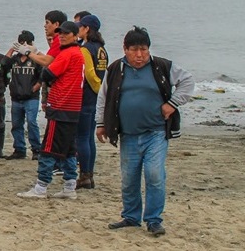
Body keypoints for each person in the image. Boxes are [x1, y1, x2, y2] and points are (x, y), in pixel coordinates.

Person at [96, 26, 194, 237]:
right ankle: (131, 217)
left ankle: (153, 220)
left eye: (143, 49)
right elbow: (104, 97)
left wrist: (172, 103)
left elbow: (187, 81)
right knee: (129, 178)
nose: (139, 55)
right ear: (125, 49)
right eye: (134, 50)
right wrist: (101, 123)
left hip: (155, 133)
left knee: (154, 174)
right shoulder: (115, 69)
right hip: (128, 134)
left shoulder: (161, 66)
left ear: (149, 49)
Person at [17, 21, 84, 199]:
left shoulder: (68, 53)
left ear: (75, 35)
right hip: (73, 107)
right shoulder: (77, 53)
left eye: (66, 33)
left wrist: (33, 55)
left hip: (62, 106)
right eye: (60, 33)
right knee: (69, 148)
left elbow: (48, 73)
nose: (61, 36)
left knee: (48, 148)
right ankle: (70, 185)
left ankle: (41, 186)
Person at [75, 14, 108, 189]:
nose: (78, 29)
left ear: (87, 29)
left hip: (87, 97)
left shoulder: (86, 49)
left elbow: (89, 74)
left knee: (82, 137)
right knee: (88, 138)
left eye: (80, 26)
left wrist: (98, 90)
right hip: (96, 99)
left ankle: (85, 174)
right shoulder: (102, 48)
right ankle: (89, 173)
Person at [4, 30, 43, 160]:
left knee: (32, 123)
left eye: (27, 43)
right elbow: (1, 65)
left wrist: (37, 86)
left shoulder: (35, 60)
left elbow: (44, 74)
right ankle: (19, 149)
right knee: (16, 124)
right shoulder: (14, 59)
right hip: (16, 97)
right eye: (21, 43)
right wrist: (11, 50)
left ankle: (36, 149)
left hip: (31, 97)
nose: (24, 46)